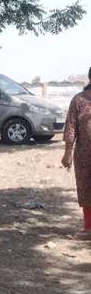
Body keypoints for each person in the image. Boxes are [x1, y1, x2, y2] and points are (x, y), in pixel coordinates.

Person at [62, 68, 91, 239]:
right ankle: (88, 229)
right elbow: (71, 127)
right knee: (86, 190)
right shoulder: (78, 100)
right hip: (84, 155)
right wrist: (67, 153)